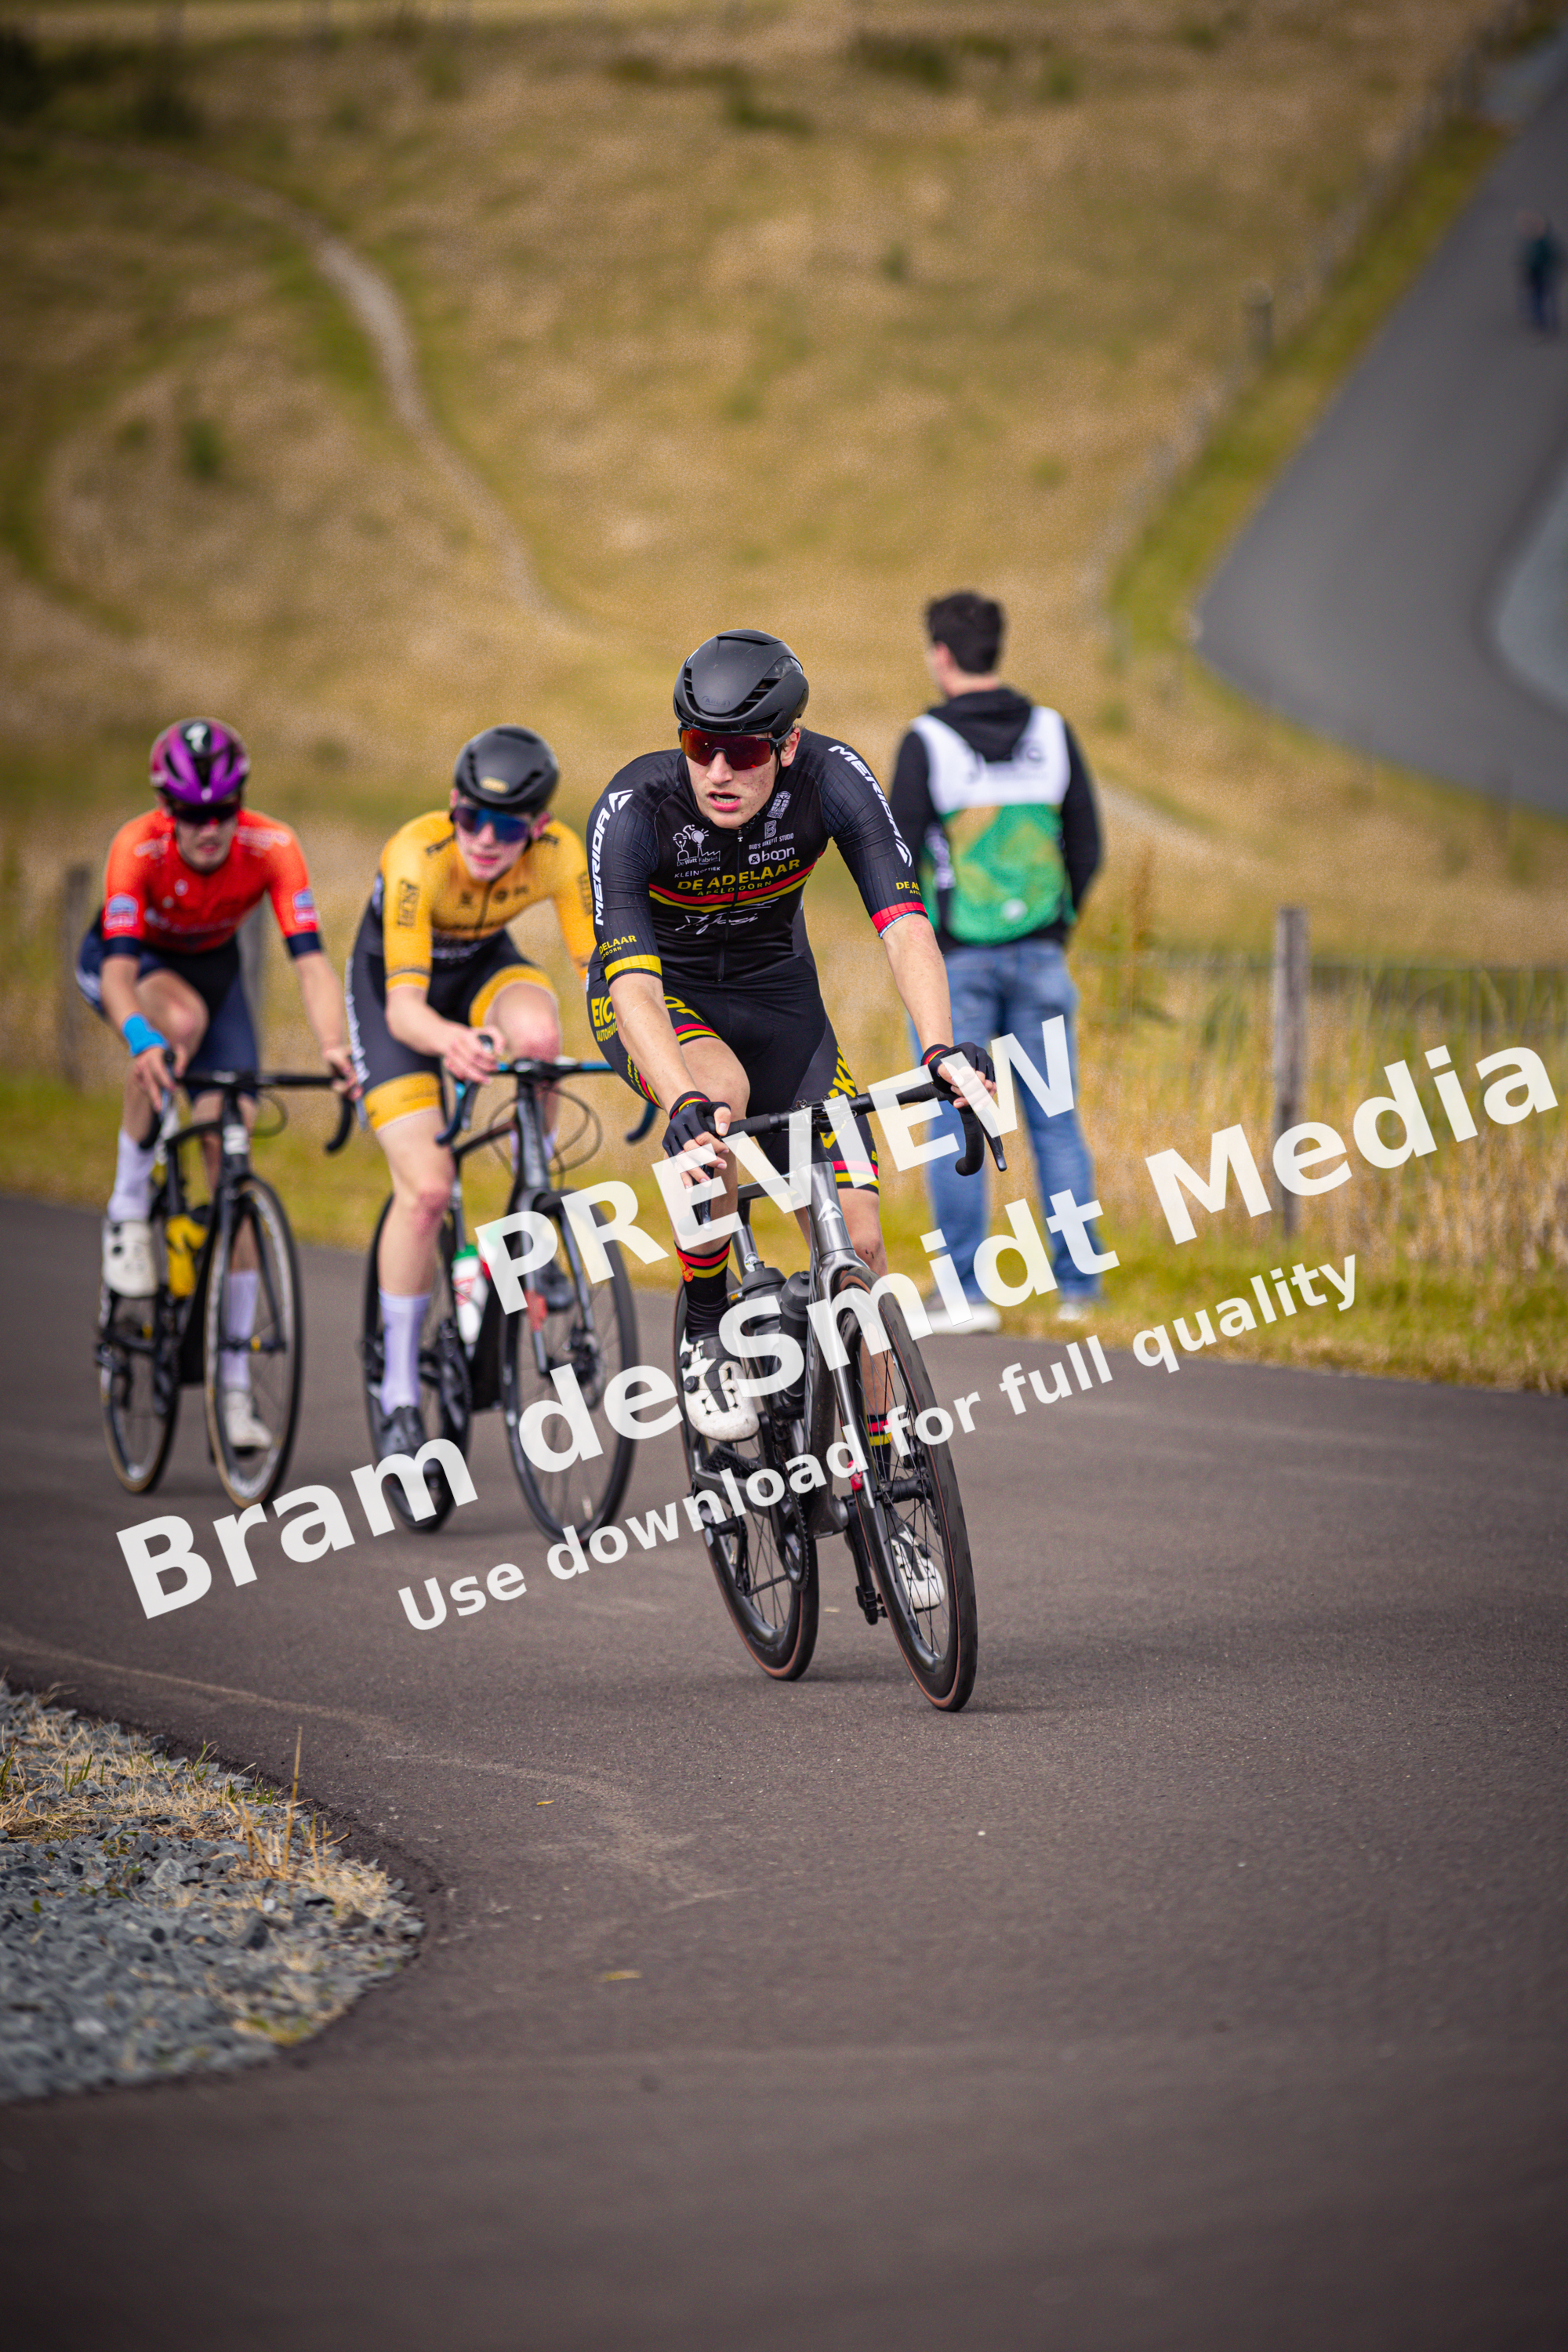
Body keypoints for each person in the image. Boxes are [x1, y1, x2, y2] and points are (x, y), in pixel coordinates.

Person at [586, 627, 992, 1441]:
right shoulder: (635, 809)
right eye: (699, 747)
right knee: (717, 1101)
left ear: (787, 744)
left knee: (864, 1248)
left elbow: (904, 925)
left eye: (741, 751)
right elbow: (630, 980)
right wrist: (680, 1105)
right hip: (664, 1004)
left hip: (781, 1010)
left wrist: (939, 1048)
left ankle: (877, 1460)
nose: (718, 772)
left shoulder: (832, 779)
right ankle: (706, 1324)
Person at [78, 718, 355, 1452]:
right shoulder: (136, 847)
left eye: (223, 813)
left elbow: (312, 964)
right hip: (130, 968)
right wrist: (139, 1038)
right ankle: (128, 1208)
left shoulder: (272, 846)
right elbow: (114, 973)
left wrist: (335, 1046)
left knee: (230, 1160)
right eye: (193, 816)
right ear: (168, 810)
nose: (209, 830)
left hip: (213, 973)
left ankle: (233, 1388)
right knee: (177, 1027)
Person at [346, 724, 595, 1461]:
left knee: (542, 1041)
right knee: (426, 1190)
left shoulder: (560, 856)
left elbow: (601, 971)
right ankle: (396, 1392)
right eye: (471, 820)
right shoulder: (414, 857)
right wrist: (450, 1041)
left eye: (507, 826)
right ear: (453, 808)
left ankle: (533, 1195)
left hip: (484, 967)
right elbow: (404, 1012)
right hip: (399, 998)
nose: (486, 839)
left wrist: (652, 1057)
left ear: (538, 827)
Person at [889, 591, 1104, 1332]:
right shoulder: (1052, 731)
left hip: (964, 964)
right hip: (1044, 956)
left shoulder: (927, 741)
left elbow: (898, 852)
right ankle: (1079, 1290)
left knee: (956, 1120)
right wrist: (1058, 925)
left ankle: (965, 1293)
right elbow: (1089, 843)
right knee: (1056, 1123)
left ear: (942, 655)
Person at [1516, 211, 1563, 337]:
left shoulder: (1544, 243)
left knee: (1541, 299)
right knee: (1538, 299)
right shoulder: (1537, 241)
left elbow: (1554, 257)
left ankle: (1544, 324)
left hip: (1543, 274)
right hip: (1537, 275)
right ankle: (1542, 323)